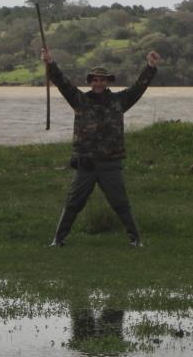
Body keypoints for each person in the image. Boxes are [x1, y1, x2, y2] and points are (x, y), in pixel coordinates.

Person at [41, 46, 162, 247]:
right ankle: (58, 240)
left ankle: (136, 240)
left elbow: (138, 88)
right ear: (90, 82)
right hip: (85, 163)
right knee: (73, 203)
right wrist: (50, 62)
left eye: (102, 80)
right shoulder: (79, 99)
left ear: (108, 82)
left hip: (110, 163)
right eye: (95, 80)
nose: (98, 83)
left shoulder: (119, 100)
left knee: (120, 203)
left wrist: (150, 66)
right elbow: (62, 82)